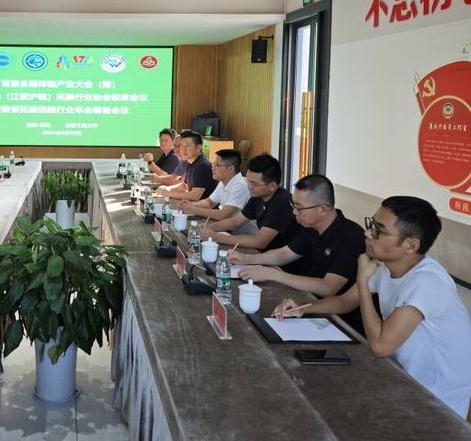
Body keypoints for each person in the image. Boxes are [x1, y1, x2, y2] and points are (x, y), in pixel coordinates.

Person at [274, 196, 471, 418]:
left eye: (379, 230)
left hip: (438, 402)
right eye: (371, 224)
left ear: (411, 245)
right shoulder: (386, 267)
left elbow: (380, 346)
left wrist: (362, 280)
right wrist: (303, 308)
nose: (368, 234)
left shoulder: (426, 281)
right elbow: (345, 302)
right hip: (402, 381)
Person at [231, 174, 366, 332]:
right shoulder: (312, 227)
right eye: (293, 204)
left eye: (299, 207)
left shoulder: (351, 236)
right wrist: (246, 258)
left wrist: (272, 274)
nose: (294, 212)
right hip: (308, 303)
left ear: (322, 209)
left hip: (341, 322)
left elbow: (328, 287)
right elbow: (284, 254)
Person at [201, 154, 304, 272]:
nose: (249, 186)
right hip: (264, 258)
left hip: (284, 266)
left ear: (272, 186)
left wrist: (217, 237)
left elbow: (260, 241)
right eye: (248, 181)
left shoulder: (281, 203)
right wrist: (210, 227)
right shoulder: (257, 196)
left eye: (254, 183)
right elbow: (236, 221)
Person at [180, 149, 248, 221]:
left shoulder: (240, 185)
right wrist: (191, 205)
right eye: (213, 164)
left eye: (217, 165)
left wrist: (194, 210)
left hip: (240, 228)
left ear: (230, 168)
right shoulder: (223, 181)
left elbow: (223, 215)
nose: (212, 168)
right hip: (228, 225)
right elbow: (209, 202)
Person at [157, 130, 216, 201]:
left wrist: (168, 193)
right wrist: (167, 189)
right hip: (192, 205)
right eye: (181, 146)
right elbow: (184, 186)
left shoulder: (202, 165)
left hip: (202, 207)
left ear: (198, 148)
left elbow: (195, 195)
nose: (183, 150)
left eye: (187, 146)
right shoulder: (190, 162)